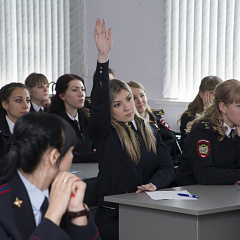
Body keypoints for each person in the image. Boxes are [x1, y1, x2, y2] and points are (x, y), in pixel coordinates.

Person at [89, 18, 175, 240]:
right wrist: (103, 58)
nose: (128, 106)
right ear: (109, 110)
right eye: (117, 104)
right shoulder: (105, 132)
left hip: (145, 209)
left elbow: (168, 167)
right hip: (114, 215)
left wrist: (154, 184)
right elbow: (98, 103)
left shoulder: (150, 129)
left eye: (128, 99)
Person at [0, 112, 101, 239]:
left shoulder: (62, 192)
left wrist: (77, 212)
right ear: (54, 157)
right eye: (70, 152)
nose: (72, 157)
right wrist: (54, 213)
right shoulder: (4, 203)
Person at [176, 79, 240, 186]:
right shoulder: (202, 130)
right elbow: (204, 175)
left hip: (224, 192)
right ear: (222, 107)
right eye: (239, 106)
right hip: (194, 193)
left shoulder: (236, 130)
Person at [128, 80, 182, 165]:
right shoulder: (128, 124)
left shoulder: (156, 118)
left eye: (142, 96)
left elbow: (171, 139)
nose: (140, 101)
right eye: (134, 98)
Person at [48, 74, 97, 163]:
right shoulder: (54, 122)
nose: (81, 94)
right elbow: (62, 155)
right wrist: (92, 156)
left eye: (82, 89)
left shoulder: (86, 119)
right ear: (62, 95)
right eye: (75, 90)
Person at [179, 76, 222, 149]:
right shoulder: (188, 116)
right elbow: (188, 142)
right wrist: (208, 111)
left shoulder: (223, 112)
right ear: (201, 94)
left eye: (218, 92)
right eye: (212, 92)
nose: (216, 96)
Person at [0, 82, 30, 158]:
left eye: (28, 101)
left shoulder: (35, 129)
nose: (26, 106)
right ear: (5, 105)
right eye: (19, 100)